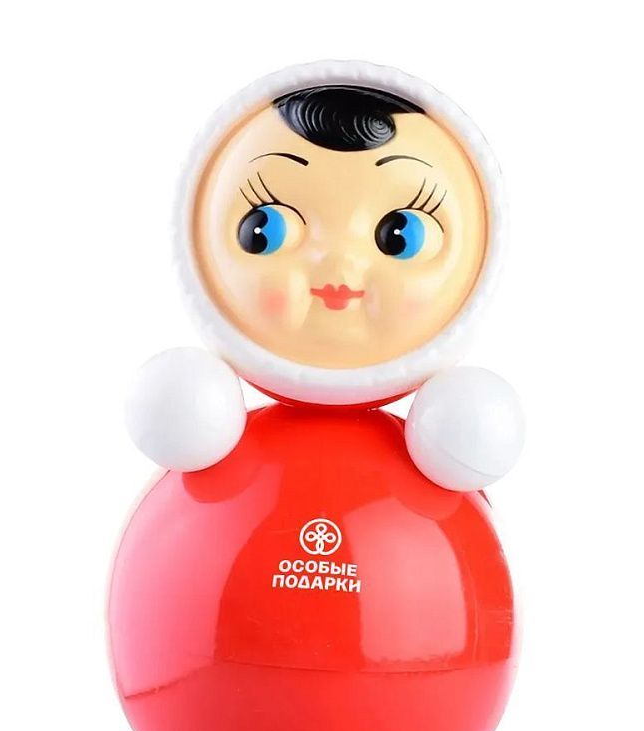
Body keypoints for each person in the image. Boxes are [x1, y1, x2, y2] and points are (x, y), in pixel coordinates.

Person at [126, 61, 524, 491]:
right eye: (265, 228)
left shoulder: (450, 436)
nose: (338, 263)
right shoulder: (197, 424)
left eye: (400, 234)